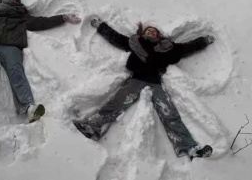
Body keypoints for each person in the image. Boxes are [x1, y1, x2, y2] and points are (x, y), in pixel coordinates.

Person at [73, 17, 215, 160]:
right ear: (144, 33)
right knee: (117, 103)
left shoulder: (169, 48)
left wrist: (203, 41)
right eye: (149, 30)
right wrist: (101, 26)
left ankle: (189, 148)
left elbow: (187, 47)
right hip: (136, 80)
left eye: (155, 31)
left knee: (169, 113)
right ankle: (92, 127)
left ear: (158, 35)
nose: (152, 32)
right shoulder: (136, 42)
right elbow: (116, 38)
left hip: (156, 83)